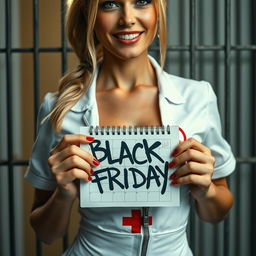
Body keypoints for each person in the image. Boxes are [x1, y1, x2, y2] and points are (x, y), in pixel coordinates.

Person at [25, 0, 236, 255]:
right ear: (89, 16)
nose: (127, 18)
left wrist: (206, 190)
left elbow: (217, 214)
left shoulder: (198, 98)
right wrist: (64, 193)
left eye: (142, 2)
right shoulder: (59, 108)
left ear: (158, 11)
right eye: (109, 4)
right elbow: (46, 234)